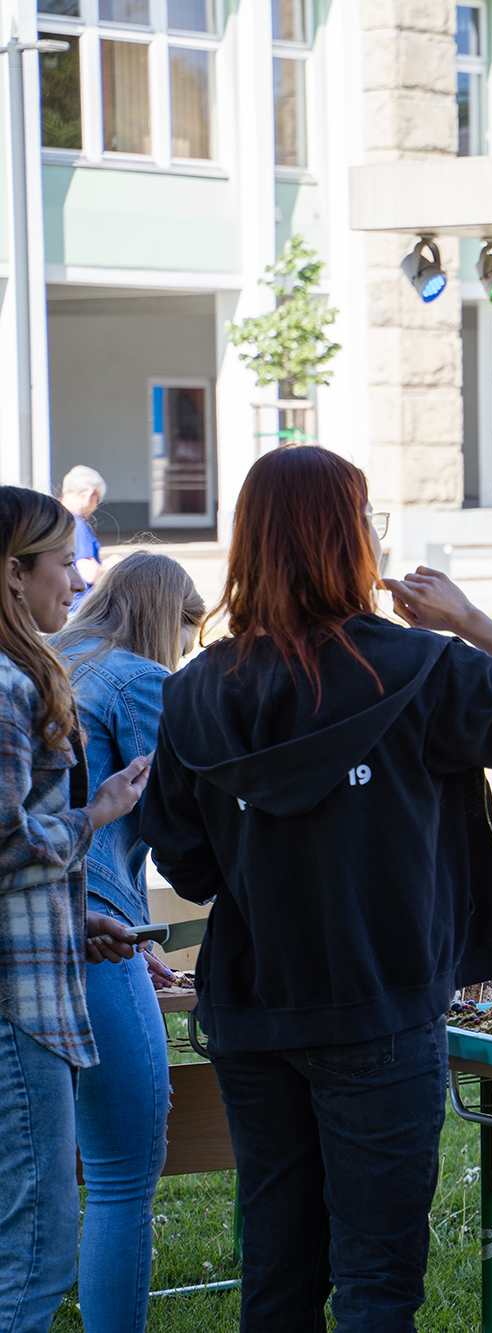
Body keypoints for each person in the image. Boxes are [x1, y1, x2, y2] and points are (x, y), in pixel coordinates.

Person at [139, 446, 492, 1329]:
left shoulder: (195, 690)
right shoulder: (423, 667)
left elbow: (187, 863)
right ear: (348, 538)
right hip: (378, 1007)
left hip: (254, 1009)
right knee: (378, 1279)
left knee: (277, 1267)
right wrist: (470, 619)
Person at [0, 486, 152, 1332]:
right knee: (35, 1257)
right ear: (13, 574)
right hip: (17, 1010)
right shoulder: (6, 686)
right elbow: (5, 843)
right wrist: (96, 814)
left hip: (29, 979)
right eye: (64, 562)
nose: (78, 578)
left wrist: (69, 921)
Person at [51, 551, 205, 1332]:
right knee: (120, 1179)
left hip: (32, 929)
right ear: (167, 619)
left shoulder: (53, 661)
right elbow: (185, 818)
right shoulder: (140, 677)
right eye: (188, 634)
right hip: (91, 938)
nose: (185, 652)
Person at [60, 465, 106, 606]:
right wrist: (112, 565)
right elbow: (89, 573)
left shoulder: (55, 517)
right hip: (77, 607)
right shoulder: (76, 524)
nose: (95, 506)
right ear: (89, 495)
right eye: (97, 499)